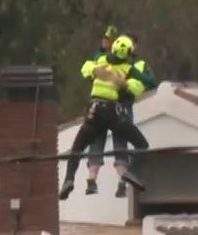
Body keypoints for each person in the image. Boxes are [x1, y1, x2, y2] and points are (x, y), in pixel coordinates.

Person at [60, 34, 151, 200]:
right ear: (129, 53)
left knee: (77, 149)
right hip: (113, 113)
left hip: (94, 112)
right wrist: (124, 83)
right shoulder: (128, 68)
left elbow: (85, 67)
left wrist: (95, 70)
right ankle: (130, 172)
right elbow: (143, 85)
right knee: (142, 144)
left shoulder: (100, 60)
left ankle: (68, 180)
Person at [84, 28, 157, 197]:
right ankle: (99, 180)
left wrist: (130, 79)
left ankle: (115, 182)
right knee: (107, 142)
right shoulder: (113, 60)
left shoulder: (132, 64)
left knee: (113, 143)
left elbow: (150, 81)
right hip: (114, 107)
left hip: (113, 106)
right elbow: (93, 67)